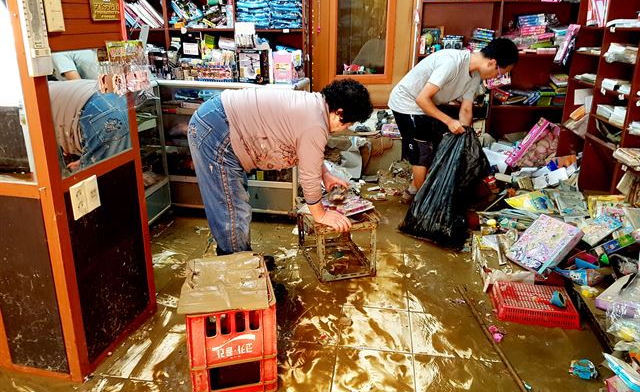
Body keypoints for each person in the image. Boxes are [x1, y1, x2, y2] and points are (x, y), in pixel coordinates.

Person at [188, 79, 373, 256]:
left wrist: (326, 176)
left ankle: (244, 259)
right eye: (347, 124)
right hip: (217, 129)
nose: (345, 128)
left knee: (234, 204)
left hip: (219, 121)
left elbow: (308, 154)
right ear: (339, 113)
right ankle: (238, 269)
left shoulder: (316, 106)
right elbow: (308, 177)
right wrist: (321, 214)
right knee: (231, 208)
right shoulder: (315, 123)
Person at [388, 37, 519, 203]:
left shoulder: (475, 76)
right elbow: (421, 99)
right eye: (500, 73)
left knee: (438, 144)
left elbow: (466, 110)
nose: (496, 77)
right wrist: (450, 122)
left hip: (427, 104)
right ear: (493, 63)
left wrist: (467, 136)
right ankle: (419, 200)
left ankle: (414, 190)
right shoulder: (452, 62)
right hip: (407, 102)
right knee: (423, 150)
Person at [48, 79, 131, 172]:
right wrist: (88, 158)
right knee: (119, 174)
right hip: (117, 101)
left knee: (107, 179)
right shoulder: (50, 88)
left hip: (101, 112)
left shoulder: (33, 98)